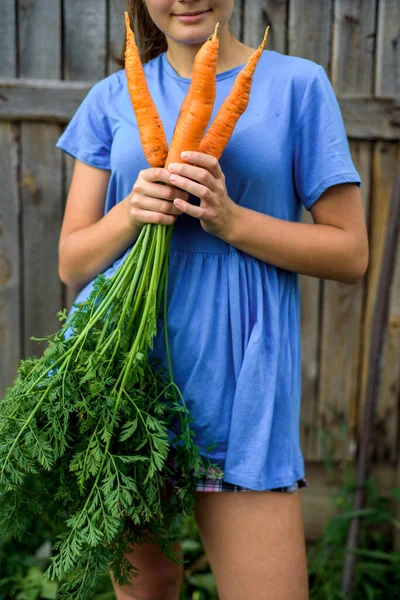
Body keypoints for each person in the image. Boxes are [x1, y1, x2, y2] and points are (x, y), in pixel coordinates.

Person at [56, 0, 369, 598]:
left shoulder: (296, 84)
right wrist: (131, 212)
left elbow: (350, 254)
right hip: (126, 383)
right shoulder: (111, 95)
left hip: (240, 393)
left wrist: (230, 221)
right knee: (146, 591)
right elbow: (72, 263)